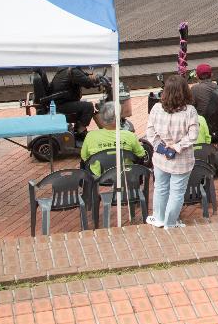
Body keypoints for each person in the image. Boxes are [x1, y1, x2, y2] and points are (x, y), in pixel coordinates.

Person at [145, 76, 199, 229]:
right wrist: (176, 147)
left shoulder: (156, 108)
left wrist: (161, 147)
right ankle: (170, 222)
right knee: (177, 192)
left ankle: (159, 218)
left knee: (160, 188)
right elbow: (193, 135)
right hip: (181, 160)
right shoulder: (190, 111)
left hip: (161, 158)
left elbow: (150, 132)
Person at [80, 101, 147, 177]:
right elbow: (141, 154)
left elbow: (84, 156)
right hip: (125, 174)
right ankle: (136, 184)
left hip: (100, 176)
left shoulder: (91, 136)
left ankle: (87, 186)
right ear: (118, 118)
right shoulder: (129, 135)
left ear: (101, 119)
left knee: (84, 163)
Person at [49, 66, 101, 133]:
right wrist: (95, 80)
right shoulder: (73, 71)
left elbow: (83, 75)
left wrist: (89, 76)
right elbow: (88, 83)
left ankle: (78, 128)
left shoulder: (66, 70)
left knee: (83, 104)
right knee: (88, 106)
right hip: (61, 105)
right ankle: (81, 131)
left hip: (59, 103)